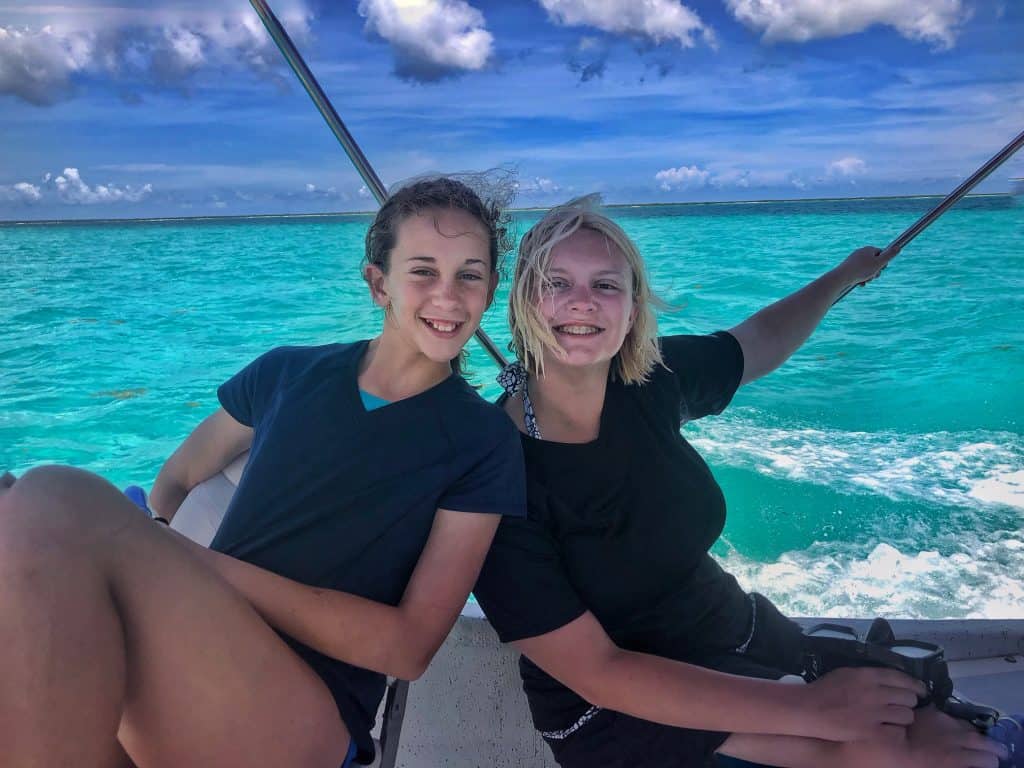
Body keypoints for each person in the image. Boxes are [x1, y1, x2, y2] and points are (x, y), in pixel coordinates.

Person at [0, 176, 525, 768]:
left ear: (489, 290)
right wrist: (155, 550)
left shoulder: (483, 440)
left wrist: (187, 560)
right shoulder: (285, 375)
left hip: (304, 712)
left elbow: (408, 649)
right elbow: (176, 478)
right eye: (423, 271)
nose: (448, 297)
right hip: (191, 656)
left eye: (470, 275)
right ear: (379, 283)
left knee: (55, 491)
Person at [472, 195, 1007, 768]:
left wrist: (846, 275)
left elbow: (759, 341)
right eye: (556, 283)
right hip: (617, 702)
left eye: (606, 285)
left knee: (936, 719)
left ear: (631, 310)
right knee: (887, 751)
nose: (582, 302)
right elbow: (600, 673)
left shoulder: (651, 381)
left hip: (732, 630)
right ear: (523, 302)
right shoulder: (491, 474)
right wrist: (812, 710)